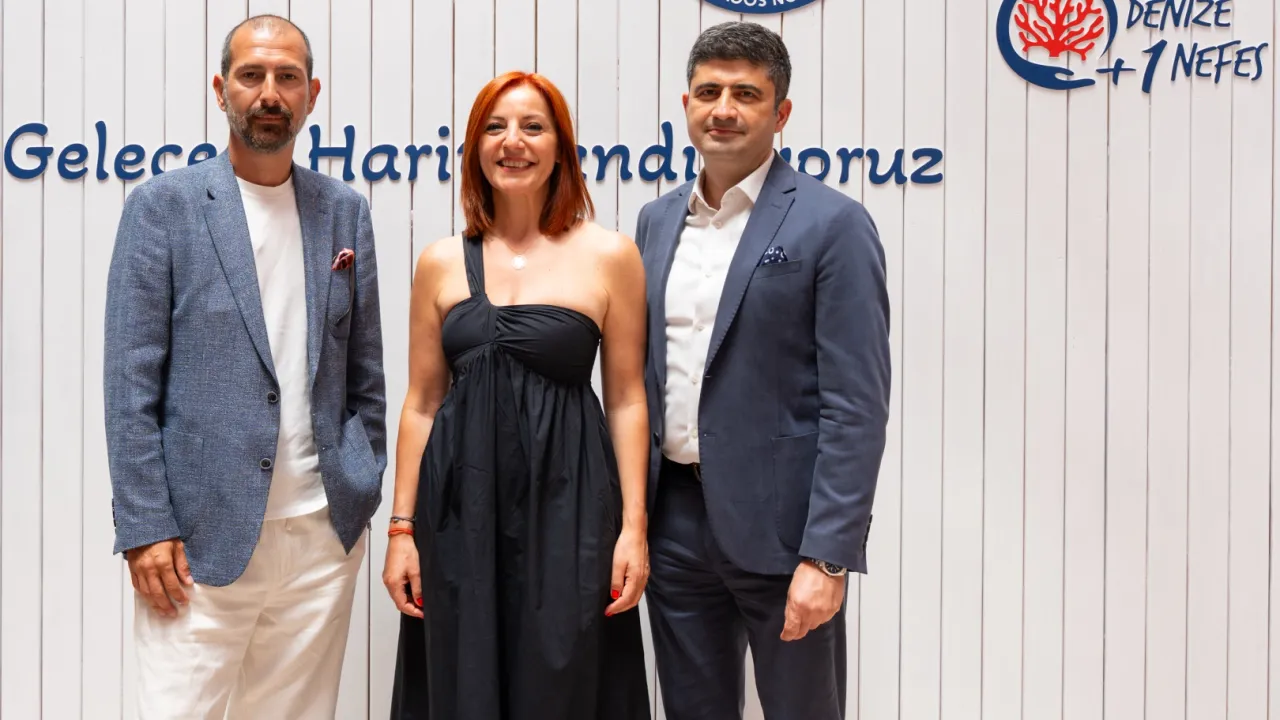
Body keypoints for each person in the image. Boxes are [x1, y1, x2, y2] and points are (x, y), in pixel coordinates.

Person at [102, 14, 386, 719]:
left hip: (320, 538)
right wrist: (145, 525)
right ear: (220, 88)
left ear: (312, 94)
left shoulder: (343, 212)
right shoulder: (162, 208)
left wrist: (360, 479)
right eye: (251, 75)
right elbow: (129, 383)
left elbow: (366, 374)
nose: (269, 93)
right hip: (196, 544)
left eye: (287, 77)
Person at [634, 21, 891, 720]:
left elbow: (856, 406)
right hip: (674, 527)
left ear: (780, 113)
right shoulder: (655, 222)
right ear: (686, 104)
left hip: (786, 537)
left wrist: (828, 557)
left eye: (746, 94)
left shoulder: (833, 224)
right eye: (709, 92)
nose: (724, 109)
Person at [384, 70, 652, 719]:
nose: (514, 142)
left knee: (565, 686)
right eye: (496, 128)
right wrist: (401, 530)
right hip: (460, 512)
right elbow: (422, 402)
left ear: (561, 148)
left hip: (573, 509)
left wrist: (634, 529)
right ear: (475, 147)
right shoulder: (441, 261)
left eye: (533, 127)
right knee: (464, 683)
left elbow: (626, 399)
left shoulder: (611, 255)